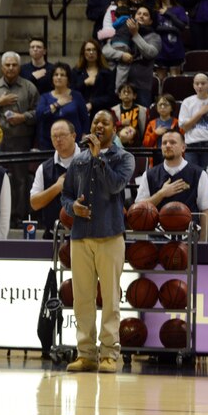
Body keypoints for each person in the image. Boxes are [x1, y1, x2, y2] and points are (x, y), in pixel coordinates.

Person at [61, 111, 135, 373]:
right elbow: (66, 195)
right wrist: (73, 209)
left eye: (104, 123)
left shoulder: (124, 158)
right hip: (80, 236)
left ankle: (110, 354)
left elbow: (115, 186)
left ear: (114, 129)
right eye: (95, 123)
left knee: (111, 298)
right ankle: (86, 353)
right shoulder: (78, 160)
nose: (98, 126)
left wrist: (98, 158)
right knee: (82, 298)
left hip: (110, 235)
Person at [0, 51, 37, 221]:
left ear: (19, 67)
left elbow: (38, 113)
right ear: (2, 67)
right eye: (7, 65)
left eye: (14, 65)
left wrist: (23, 117)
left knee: (20, 180)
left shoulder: (29, 87)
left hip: (21, 140)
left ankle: (19, 216)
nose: (11, 68)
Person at [135, 130, 208, 240]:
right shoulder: (149, 175)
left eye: (173, 142)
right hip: (158, 237)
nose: (167, 145)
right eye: (164, 143)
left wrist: (202, 243)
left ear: (183, 147)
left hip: (189, 237)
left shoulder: (199, 173)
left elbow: (206, 211)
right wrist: (161, 194)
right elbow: (139, 210)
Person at [30, 119, 81, 238]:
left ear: (73, 136)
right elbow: (34, 203)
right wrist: (57, 187)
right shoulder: (44, 168)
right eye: (54, 136)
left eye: (62, 135)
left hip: (85, 236)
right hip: (52, 235)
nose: (58, 139)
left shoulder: (89, 161)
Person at [103, 5, 161, 108]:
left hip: (141, 87)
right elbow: (105, 50)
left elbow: (150, 53)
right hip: (120, 86)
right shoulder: (122, 31)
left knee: (142, 118)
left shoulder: (154, 37)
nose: (141, 16)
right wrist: (121, 55)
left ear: (151, 21)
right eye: (139, 14)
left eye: (145, 15)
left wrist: (135, 34)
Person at [36, 63, 89, 152]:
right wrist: (57, 104)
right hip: (49, 143)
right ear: (52, 78)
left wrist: (84, 136)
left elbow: (85, 118)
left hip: (73, 142)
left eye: (62, 75)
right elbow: (39, 115)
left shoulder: (76, 96)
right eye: (56, 75)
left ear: (68, 79)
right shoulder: (44, 97)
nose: (59, 77)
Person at [70, 39, 117, 118]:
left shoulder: (107, 73)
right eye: (88, 50)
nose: (91, 53)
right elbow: (71, 93)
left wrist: (92, 104)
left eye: (94, 50)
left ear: (98, 53)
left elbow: (110, 97)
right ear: (83, 53)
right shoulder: (76, 71)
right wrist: (84, 83)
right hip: (79, 112)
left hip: (101, 113)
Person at [154, 0, 189, 81]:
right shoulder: (155, 10)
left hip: (175, 48)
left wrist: (168, 14)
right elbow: (155, 27)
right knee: (161, 79)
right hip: (161, 49)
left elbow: (182, 26)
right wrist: (173, 29)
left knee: (175, 80)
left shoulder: (178, 9)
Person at [112, 83, 147, 148]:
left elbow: (144, 129)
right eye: (124, 92)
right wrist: (121, 123)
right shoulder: (114, 110)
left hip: (138, 144)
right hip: (119, 144)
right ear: (119, 95)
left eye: (129, 92)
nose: (126, 94)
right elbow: (111, 127)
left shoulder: (142, 110)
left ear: (134, 96)